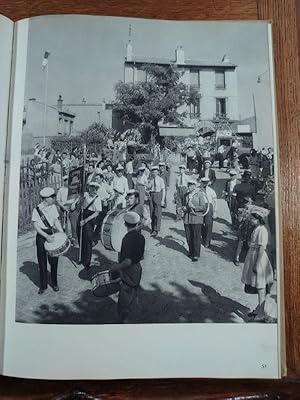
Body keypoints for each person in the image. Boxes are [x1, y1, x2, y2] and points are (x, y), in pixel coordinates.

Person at [110, 211, 145, 323]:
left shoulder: (127, 239)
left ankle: (123, 322)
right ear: (136, 224)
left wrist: (116, 267)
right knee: (133, 293)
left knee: (124, 300)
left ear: (125, 224)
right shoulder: (141, 237)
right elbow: (141, 256)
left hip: (129, 271)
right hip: (138, 269)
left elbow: (127, 261)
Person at [241, 212, 274, 322]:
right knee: (257, 284)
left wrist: (256, 263)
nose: (250, 220)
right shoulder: (257, 228)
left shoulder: (261, 230)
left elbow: (261, 248)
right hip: (253, 255)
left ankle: (261, 314)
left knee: (260, 286)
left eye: (252, 219)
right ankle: (258, 309)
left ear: (258, 219)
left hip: (258, 258)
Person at [32, 187, 64, 294]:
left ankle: (54, 283)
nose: (54, 199)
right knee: (42, 262)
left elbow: (56, 221)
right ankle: (43, 286)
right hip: (41, 236)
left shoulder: (53, 207)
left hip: (52, 234)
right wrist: (46, 236)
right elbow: (36, 226)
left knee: (54, 260)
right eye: (52, 197)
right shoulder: (37, 209)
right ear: (46, 199)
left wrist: (62, 232)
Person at [75, 182, 102, 270]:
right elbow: (78, 208)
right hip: (81, 216)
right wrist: (80, 200)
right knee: (80, 238)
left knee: (88, 241)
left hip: (89, 220)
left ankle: (87, 262)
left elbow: (97, 213)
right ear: (89, 188)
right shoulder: (85, 196)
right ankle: (82, 258)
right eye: (92, 188)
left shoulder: (97, 199)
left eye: (96, 189)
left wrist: (85, 220)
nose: (94, 190)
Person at [182, 179, 208, 262]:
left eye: (191, 185)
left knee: (196, 237)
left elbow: (204, 207)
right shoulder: (186, 195)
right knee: (189, 236)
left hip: (196, 218)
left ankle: (196, 254)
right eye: (188, 185)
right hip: (187, 219)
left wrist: (193, 207)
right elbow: (184, 205)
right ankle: (191, 251)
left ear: (194, 186)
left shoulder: (199, 194)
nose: (189, 187)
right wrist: (184, 208)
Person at [93, 173, 115, 238]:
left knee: (101, 220)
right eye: (95, 178)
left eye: (98, 178)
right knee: (94, 219)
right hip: (95, 203)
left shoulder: (105, 186)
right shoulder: (94, 185)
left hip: (103, 204)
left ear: (101, 179)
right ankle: (94, 233)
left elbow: (112, 193)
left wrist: (108, 201)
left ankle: (99, 233)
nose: (96, 180)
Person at [147, 165, 166, 237]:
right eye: (153, 172)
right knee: (151, 212)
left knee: (157, 213)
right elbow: (148, 188)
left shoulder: (160, 179)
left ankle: (156, 229)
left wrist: (163, 200)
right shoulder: (150, 179)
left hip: (158, 195)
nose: (154, 173)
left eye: (155, 172)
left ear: (158, 172)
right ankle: (152, 228)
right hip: (152, 195)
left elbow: (163, 190)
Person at [200, 177, 217, 248]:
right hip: (201, 207)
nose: (204, 184)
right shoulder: (199, 190)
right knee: (200, 223)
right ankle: (204, 237)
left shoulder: (211, 191)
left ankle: (207, 241)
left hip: (209, 207)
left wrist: (215, 211)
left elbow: (215, 202)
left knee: (208, 224)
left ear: (208, 183)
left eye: (206, 183)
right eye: (203, 182)